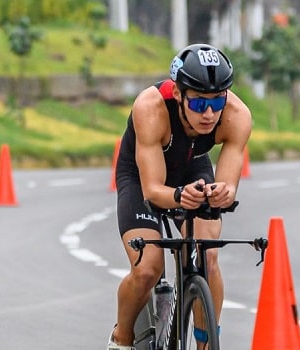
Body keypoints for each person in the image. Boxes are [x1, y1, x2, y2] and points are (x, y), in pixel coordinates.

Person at [107, 44, 252, 349]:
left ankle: (205, 343)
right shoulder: (150, 107)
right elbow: (153, 191)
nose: (209, 114)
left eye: (217, 101)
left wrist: (222, 193)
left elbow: (228, 186)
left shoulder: (237, 116)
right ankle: (121, 339)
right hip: (142, 175)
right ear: (178, 94)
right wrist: (178, 196)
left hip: (191, 168)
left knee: (207, 255)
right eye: (198, 104)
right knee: (147, 268)